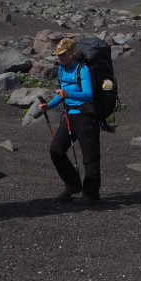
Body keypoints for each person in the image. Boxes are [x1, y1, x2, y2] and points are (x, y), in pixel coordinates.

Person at [38, 38, 100, 205]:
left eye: (63, 54)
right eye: (58, 55)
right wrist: (48, 106)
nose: (60, 58)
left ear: (72, 53)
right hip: (69, 115)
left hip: (85, 115)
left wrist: (68, 94)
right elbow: (61, 94)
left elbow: (88, 95)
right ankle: (73, 186)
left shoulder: (83, 69)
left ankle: (92, 195)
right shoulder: (62, 70)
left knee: (89, 156)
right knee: (56, 150)